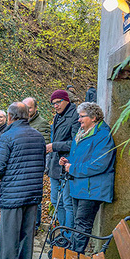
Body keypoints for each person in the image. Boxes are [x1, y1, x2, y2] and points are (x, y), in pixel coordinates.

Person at [0, 102, 45, 259]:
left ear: (10, 117)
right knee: (26, 235)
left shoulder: (7, 136)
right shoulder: (39, 137)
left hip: (13, 193)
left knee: (9, 235)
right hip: (33, 192)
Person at [59, 102, 116, 254]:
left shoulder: (103, 135)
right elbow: (81, 156)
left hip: (92, 188)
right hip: (80, 185)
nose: (79, 120)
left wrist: (74, 168)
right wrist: (67, 161)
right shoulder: (83, 132)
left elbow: (99, 164)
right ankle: (73, 252)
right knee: (78, 223)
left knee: (83, 223)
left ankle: (75, 255)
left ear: (94, 117)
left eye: (82, 116)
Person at [47, 89, 80, 229]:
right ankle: (61, 231)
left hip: (67, 164)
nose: (56, 106)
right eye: (53, 104)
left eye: (58, 102)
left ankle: (68, 234)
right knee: (55, 201)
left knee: (67, 203)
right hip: (55, 165)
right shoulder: (57, 117)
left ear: (66, 100)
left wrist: (54, 146)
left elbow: (76, 143)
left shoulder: (75, 116)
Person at [23, 97, 52, 231]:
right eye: (25, 107)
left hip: (34, 165)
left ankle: (34, 225)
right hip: (22, 164)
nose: (27, 110)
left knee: (34, 196)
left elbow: (44, 147)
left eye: (29, 108)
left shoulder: (42, 124)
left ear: (35, 108)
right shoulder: (21, 121)